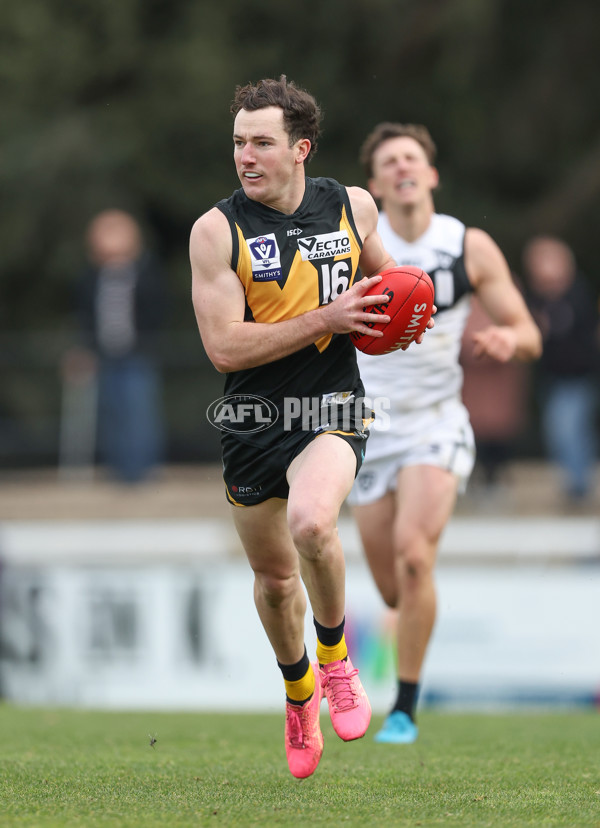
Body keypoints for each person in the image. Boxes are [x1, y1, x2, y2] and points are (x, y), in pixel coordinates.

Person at [189, 78, 432, 779]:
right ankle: (299, 693)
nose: (246, 155)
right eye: (238, 142)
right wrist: (326, 319)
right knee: (272, 581)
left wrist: (409, 311)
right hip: (253, 419)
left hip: (331, 407)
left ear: (301, 148)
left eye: (261, 142)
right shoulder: (217, 230)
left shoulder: (351, 205)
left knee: (313, 525)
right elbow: (224, 349)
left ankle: (336, 660)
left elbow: (387, 280)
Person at [347, 122, 542, 744]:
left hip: (436, 422)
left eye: (412, 158)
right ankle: (410, 621)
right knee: (391, 586)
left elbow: (530, 331)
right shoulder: (350, 244)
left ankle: (403, 707)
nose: (402, 167)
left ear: (430, 175)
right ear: (375, 185)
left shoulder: (468, 246)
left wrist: (510, 338)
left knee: (413, 555)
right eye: (389, 162)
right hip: (368, 429)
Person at [65, 209, 167, 483]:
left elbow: (156, 311)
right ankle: (119, 472)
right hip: (104, 356)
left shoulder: (145, 273)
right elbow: (85, 317)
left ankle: (142, 473)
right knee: (111, 413)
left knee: (139, 413)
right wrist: (84, 350)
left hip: (137, 355)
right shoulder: (90, 277)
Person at [522, 235, 600, 503]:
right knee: (562, 431)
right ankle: (575, 482)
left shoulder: (577, 294)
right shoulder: (537, 299)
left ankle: (577, 487)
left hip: (577, 377)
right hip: (553, 378)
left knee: (568, 429)